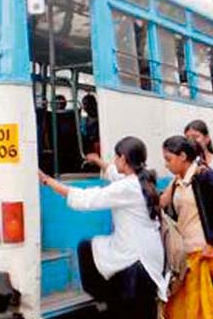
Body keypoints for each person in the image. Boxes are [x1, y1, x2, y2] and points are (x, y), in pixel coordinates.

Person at [38, 136, 167, 319]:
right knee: (92, 247)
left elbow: (86, 199)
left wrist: (46, 180)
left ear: (123, 159)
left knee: (87, 248)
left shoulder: (127, 187)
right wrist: (98, 161)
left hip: (137, 260)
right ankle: (108, 299)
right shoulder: (142, 180)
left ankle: (106, 297)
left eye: (116, 157)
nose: (114, 161)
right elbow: (115, 174)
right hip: (149, 254)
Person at [159, 135, 213, 319]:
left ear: (183, 156)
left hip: (204, 254)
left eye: (168, 159)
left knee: (207, 309)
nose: (166, 165)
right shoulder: (178, 181)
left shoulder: (204, 176)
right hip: (185, 256)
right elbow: (162, 204)